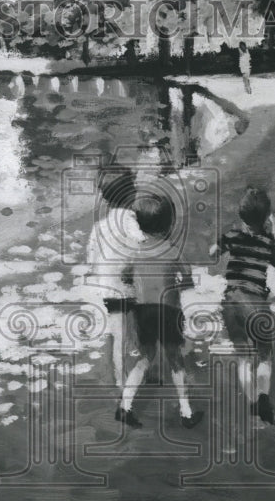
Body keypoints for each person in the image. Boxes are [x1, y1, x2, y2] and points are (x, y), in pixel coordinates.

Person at [118, 193, 203, 429]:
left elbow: (125, 276)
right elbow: (187, 281)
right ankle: (186, 412)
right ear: (169, 224)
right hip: (168, 311)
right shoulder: (173, 251)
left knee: (145, 358)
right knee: (176, 360)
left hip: (142, 311)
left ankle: (125, 406)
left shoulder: (136, 251)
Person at [211, 187, 275, 424]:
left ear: (241, 215)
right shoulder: (267, 242)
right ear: (266, 217)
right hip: (256, 303)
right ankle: (264, 395)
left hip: (232, 302)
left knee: (244, 357)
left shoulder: (233, 236)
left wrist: (221, 242)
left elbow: (213, 252)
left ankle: (253, 402)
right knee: (264, 355)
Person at [84, 166, 144, 391]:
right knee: (139, 326)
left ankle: (120, 381)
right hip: (129, 286)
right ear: (130, 194)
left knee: (118, 336)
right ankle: (142, 363)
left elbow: (91, 259)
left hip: (108, 288)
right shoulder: (130, 219)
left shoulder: (98, 227)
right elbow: (141, 247)